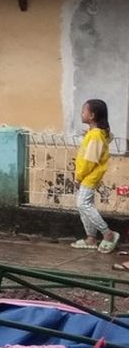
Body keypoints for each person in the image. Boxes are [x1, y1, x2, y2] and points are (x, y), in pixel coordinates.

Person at [72, 99, 120, 253]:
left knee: (83, 205)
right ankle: (91, 238)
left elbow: (89, 160)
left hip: (88, 176)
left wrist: (79, 177)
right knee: (84, 206)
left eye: (83, 111)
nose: (82, 114)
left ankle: (108, 234)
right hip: (87, 176)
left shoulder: (96, 135)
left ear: (91, 115)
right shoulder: (96, 134)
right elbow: (107, 137)